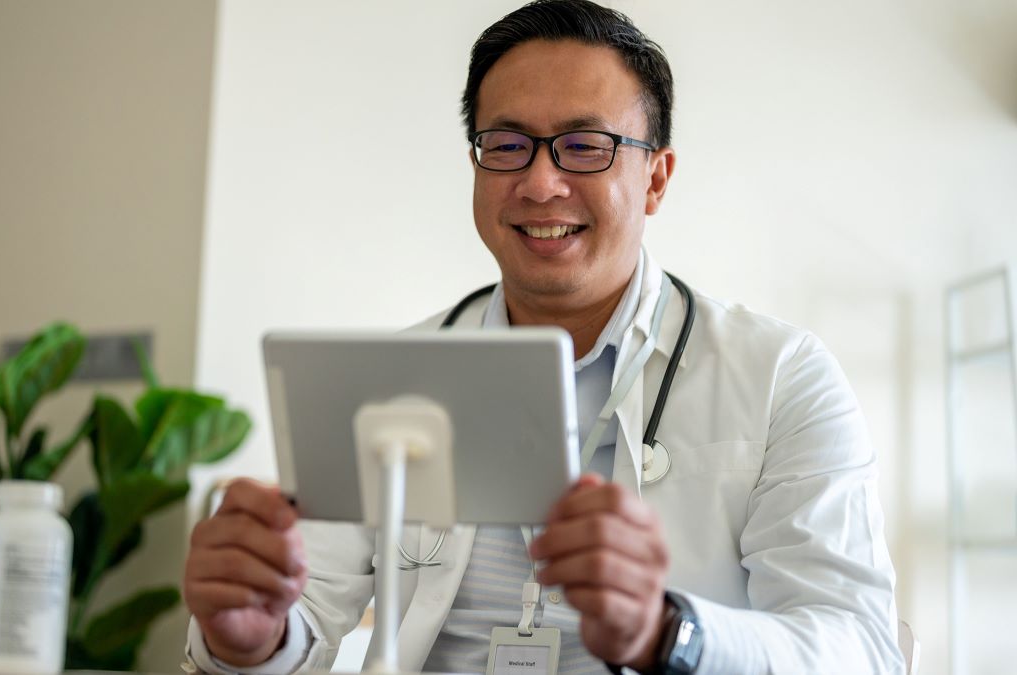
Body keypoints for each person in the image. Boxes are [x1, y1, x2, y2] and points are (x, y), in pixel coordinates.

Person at [182, 1, 904, 673]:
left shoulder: (781, 376)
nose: (540, 182)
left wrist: (668, 631)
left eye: (585, 146)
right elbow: (299, 614)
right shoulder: (394, 377)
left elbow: (858, 646)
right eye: (507, 144)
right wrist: (249, 635)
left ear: (656, 178)